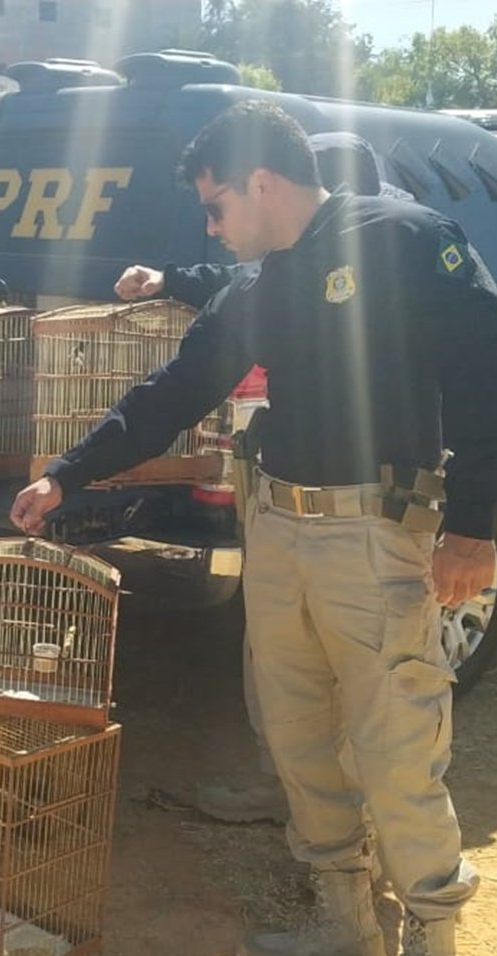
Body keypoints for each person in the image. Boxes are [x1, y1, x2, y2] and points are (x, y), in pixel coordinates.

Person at [12, 100, 497, 956]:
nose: (210, 227)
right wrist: (65, 474)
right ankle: (346, 925)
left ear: (262, 182)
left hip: (375, 536)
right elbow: (173, 389)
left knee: (396, 743)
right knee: (294, 732)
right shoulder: (260, 284)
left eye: (214, 208)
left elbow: (489, 376)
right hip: (279, 530)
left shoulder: (405, 238)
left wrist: (474, 527)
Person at [115, 131, 396, 826]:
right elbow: (243, 283)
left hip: (365, 512)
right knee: (277, 658)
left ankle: (354, 823)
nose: (220, 227)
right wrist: (169, 279)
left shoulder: (389, 264)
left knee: (363, 678)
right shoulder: (287, 262)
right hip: (279, 499)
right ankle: (290, 787)